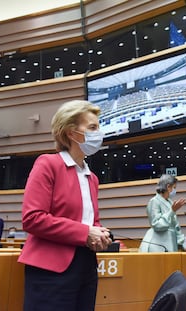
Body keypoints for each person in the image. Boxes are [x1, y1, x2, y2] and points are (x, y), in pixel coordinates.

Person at [18, 100, 112, 311]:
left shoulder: (92, 178)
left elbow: (90, 221)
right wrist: (86, 232)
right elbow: (32, 218)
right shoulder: (48, 164)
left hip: (86, 266)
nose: (99, 133)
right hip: (51, 270)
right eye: (92, 127)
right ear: (71, 133)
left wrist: (100, 235)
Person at [139, 174, 186, 252]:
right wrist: (172, 211)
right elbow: (156, 224)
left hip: (171, 241)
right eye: (174, 187)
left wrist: (182, 243)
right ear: (168, 187)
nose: (175, 190)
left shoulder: (170, 202)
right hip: (157, 243)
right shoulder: (154, 201)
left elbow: (176, 225)